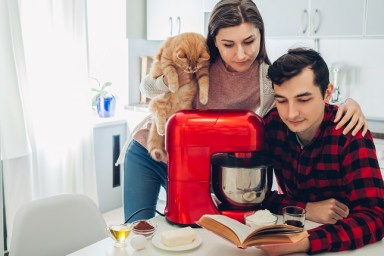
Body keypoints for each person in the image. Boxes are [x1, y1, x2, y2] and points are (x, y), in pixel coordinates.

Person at [121, 0, 368, 222]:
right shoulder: (197, 60)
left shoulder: (266, 79)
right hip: (148, 152)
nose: (241, 54)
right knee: (140, 231)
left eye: (249, 41)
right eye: (228, 44)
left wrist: (347, 103)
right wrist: (170, 81)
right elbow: (148, 88)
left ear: (261, 35)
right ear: (214, 41)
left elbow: (301, 92)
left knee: (192, 230)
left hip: (196, 164)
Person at [259, 47, 383, 255]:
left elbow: (375, 217)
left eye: (303, 99)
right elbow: (257, 196)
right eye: (281, 100)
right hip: (294, 227)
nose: (291, 113)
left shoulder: (350, 134)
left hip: (345, 246)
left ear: (327, 93)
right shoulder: (272, 126)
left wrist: (303, 242)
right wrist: (305, 208)